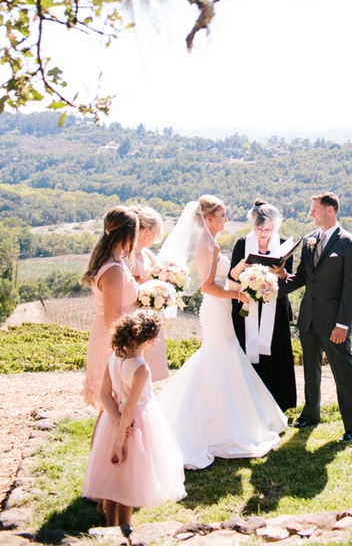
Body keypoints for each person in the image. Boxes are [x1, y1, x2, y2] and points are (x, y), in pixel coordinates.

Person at [157, 195, 287, 468]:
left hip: (221, 309)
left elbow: (219, 280)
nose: (227, 219)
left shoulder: (211, 243)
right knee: (218, 358)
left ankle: (228, 420)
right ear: (209, 219)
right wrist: (238, 294)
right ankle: (212, 426)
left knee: (224, 358)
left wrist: (242, 278)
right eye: (223, 215)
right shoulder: (207, 245)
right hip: (216, 310)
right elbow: (207, 287)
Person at [83, 310, 185, 525]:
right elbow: (130, 409)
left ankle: (110, 527)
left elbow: (104, 394)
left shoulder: (114, 357)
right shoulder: (141, 368)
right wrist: (120, 442)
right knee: (128, 482)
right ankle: (125, 528)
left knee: (112, 479)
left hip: (111, 421)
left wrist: (116, 421)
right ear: (149, 341)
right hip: (135, 426)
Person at [277, 192, 352, 443]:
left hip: (335, 322)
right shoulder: (309, 240)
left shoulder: (349, 243)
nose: (311, 213)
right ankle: (310, 414)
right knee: (310, 370)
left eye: (315, 209)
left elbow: (351, 288)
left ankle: (351, 427)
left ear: (330, 211)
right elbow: (303, 277)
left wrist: (342, 324)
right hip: (309, 319)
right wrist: (278, 281)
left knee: (344, 373)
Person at [229, 200, 296, 412]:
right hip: (247, 308)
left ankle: (278, 405)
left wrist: (281, 273)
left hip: (275, 309)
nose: (263, 233)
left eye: (267, 229)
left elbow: (288, 279)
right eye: (258, 229)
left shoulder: (284, 244)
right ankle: (248, 405)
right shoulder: (242, 243)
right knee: (248, 350)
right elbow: (231, 277)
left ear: (275, 226)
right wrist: (240, 267)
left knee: (275, 352)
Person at [80, 206, 140, 408]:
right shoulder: (114, 270)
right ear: (128, 234)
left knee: (116, 407)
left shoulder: (116, 262)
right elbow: (112, 318)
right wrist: (132, 343)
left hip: (114, 336)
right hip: (114, 340)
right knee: (113, 406)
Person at [131, 205, 169, 381]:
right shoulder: (128, 257)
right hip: (135, 320)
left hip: (151, 317)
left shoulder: (147, 254)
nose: (156, 238)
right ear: (146, 231)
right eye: (155, 232)